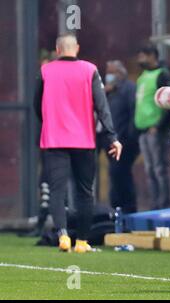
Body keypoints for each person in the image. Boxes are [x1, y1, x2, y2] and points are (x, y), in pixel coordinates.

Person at [34, 33, 122, 253]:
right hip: (83, 140)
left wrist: (49, 123)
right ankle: (82, 241)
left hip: (54, 140)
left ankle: (63, 235)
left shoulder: (45, 71)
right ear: (77, 48)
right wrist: (112, 137)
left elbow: (37, 104)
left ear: (57, 49)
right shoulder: (90, 70)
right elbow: (102, 107)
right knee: (85, 191)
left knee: (57, 190)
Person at [135, 44, 170, 210]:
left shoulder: (162, 75)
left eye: (143, 55)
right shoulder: (143, 76)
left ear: (152, 55)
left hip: (155, 130)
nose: (140, 59)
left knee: (159, 169)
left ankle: (163, 204)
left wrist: (158, 126)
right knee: (149, 169)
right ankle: (154, 203)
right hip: (143, 130)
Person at [100, 60, 139, 214]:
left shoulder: (129, 89)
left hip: (124, 142)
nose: (108, 76)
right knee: (115, 175)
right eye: (107, 72)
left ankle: (127, 209)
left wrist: (128, 138)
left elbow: (132, 113)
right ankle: (117, 209)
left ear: (121, 73)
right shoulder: (108, 91)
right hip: (109, 141)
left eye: (112, 72)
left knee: (121, 174)